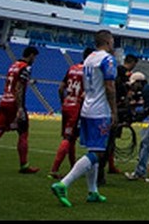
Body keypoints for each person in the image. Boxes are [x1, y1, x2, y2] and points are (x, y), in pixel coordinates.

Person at [50, 30, 118, 207]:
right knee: (98, 153)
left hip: (87, 107)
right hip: (100, 111)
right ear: (108, 42)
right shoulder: (107, 59)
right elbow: (110, 87)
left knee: (92, 149)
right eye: (112, 41)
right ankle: (64, 183)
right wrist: (114, 111)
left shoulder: (89, 59)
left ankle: (93, 190)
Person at [0, 45, 41, 175]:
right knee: (23, 133)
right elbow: (19, 88)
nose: (35, 60)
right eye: (35, 57)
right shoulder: (26, 67)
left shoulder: (13, 65)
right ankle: (24, 165)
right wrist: (20, 108)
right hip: (14, 104)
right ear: (32, 55)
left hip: (4, 101)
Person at [49, 48, 93, 179]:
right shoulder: (89, 71)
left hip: (67, 104)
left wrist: (63, 101)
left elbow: (61, 87)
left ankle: (74, 167)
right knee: (68, 138)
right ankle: (54, 170)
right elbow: (87, 93)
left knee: (71, 138)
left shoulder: (72, 68)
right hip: (77, 107)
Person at [98, 52, 138, 185]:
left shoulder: (115, 75)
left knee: (108, 142)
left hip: (105, 109)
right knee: (108, 142)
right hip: (113, 111)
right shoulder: (121, 77)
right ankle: (100, 172)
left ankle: (106, 167)